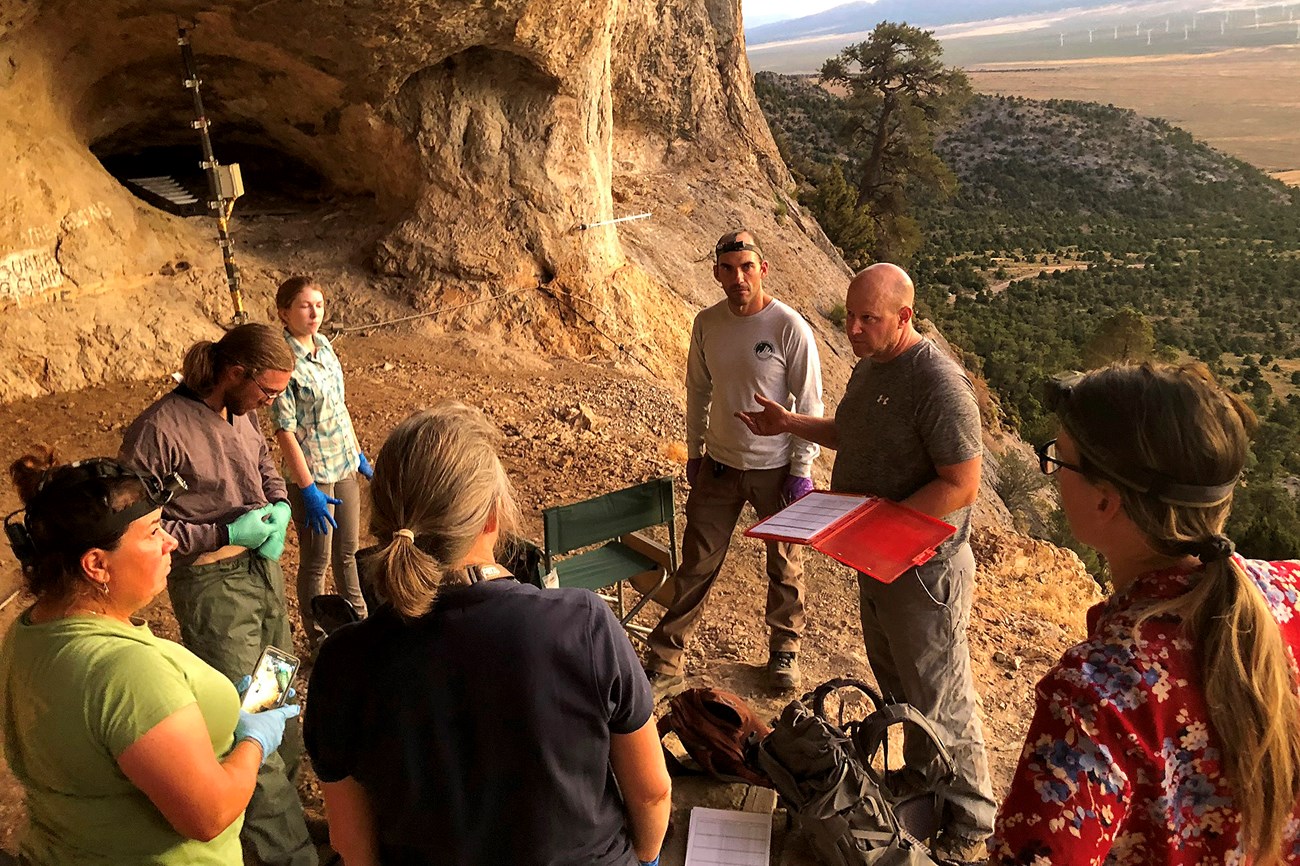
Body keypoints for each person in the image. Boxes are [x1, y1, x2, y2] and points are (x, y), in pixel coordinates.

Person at [304, 402, 671, 866]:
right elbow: (653, 794)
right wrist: (645, 859)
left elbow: (353, 846)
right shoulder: (582, 625)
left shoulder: (344, 661)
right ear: (491, 517)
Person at [989, 362, 1300, 865]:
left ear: (1105, 501)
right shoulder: (1292, 593)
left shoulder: (1097, 694)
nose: (1052, 477)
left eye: (1060, 461)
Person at [736, 262, 996, 858]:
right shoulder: (871, 364)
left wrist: (883, 528)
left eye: (867, 318)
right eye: (849, 315)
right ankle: (929, 780)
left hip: (923, 572)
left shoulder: (938, 383)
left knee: (940, 693)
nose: (851, 328)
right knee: (900, 685)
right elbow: (852, 432)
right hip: (877, 560)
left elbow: (961, 483)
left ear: (905, 317)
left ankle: (970, 822)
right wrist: (789, 423)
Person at [0, 449, 299, 866]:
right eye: (153, 531)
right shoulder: (123, 669)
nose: (170, 542)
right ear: (96, 565)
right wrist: (254, 738)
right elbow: (209, 814)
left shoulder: (28, 631)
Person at [118, 323, 317, 866]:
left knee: (281, 701)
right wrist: (226, 532)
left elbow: (262, 466)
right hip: (213, 590)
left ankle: (292, 816)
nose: (269, 404)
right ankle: (287, 854)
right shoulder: (158, 432)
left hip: (261, 575)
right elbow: (143, 535)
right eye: (267, 392)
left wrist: (276, 508)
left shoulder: (242, 411)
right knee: (251, 720)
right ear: (235, 372)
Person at [644, 229, 824, 696]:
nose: (738, 277)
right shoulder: (707, 324)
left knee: (785, 564)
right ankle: (666, 658)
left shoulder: (789, 327)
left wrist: (801, 471)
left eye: (747, 267)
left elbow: (809, 402)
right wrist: (696, 451)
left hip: (776, 468)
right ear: (717, 273)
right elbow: (698, 391)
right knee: (697, 562)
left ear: (763, 269)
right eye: (728, 269)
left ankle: (785, 651)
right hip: (720, 465)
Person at [270, 276, 371, 649]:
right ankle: (319, 639)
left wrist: (357, 453)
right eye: (304, 305)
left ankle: (360, 629)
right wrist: (306, 486)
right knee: (317, 560)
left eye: (319, 305)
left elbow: (339, 408)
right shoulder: (284, 362)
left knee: (349, 553)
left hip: (342, 463)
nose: (314, 313)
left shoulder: (325, 346)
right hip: (312, 472)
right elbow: (285, 429)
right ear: (284, 312)